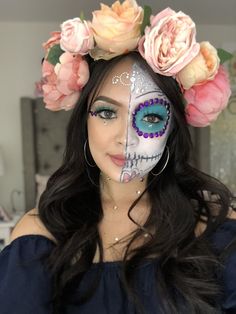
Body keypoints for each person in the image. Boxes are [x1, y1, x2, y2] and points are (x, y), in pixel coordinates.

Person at [0, 1, 235, 313]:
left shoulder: (217, 228)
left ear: (171, 131)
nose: (126, 138)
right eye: (107, 112)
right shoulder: (38, 237)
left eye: (150, 117)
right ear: (85, 122)